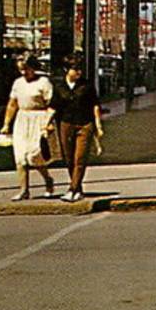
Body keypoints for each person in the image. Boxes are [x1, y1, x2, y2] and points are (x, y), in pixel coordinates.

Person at [0, 55, 58, 201]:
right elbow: (12, 104)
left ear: (33, 67)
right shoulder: (18, 83)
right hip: (22, 119)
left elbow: (53, 104)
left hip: (39, 119)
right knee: (20, 157)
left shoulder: (43, 82)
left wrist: (48, 123)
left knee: (34, 155)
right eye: (21, 70)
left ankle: (48, 180)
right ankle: (24, 190)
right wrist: (6, 124)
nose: (24, 73)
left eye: (26, 69)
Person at [52, 57, 103, 203]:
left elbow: (95, 106)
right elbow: (53, 106)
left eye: (80, 69)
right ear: (66, 70)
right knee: (69, 158)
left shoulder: (87, 86)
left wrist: (98, 126)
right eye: (75, 69)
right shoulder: (59, 87)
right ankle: (78, 188)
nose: (79, 72)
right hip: (66, 124)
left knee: (79, 158)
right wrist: (45, 124)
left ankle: (72, 189)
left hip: (85, 124)